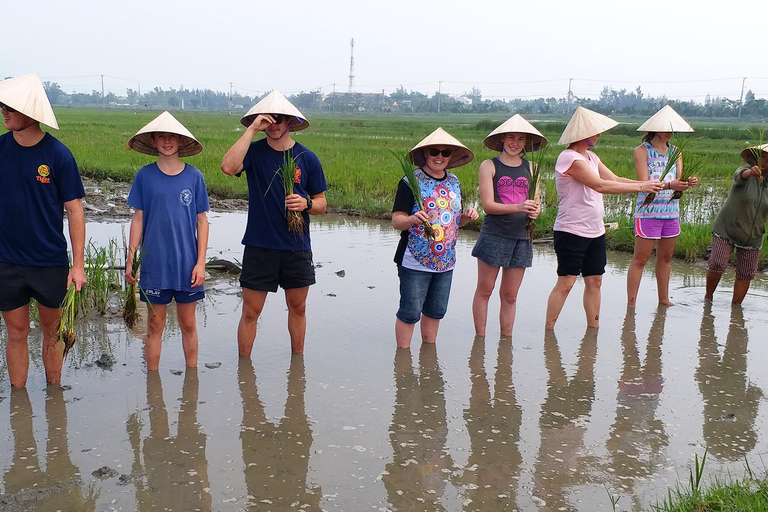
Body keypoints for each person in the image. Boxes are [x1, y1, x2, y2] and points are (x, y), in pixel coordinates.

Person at [221, 90, 327, 357]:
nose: (274, 124)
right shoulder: (254, 153)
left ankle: (297, 366)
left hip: (296, 246)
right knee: (250, 311)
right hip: (260, 244)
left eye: (280, 119)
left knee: (298, 308)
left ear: (291, 122)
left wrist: (307, 205)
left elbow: (322, 202)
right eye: (269, 119)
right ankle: (244, 368)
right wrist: (252, 129)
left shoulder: (307, 158)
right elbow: (228, 167)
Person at [0, 73, 86, 388]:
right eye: (2, 105)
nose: (4, 111)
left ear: (32, 111)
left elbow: (75, 210)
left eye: (11, 106)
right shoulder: (0, 149)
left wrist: (77, 265)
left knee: (52, 332)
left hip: (49, 261)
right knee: (17, 333)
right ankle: (19, 404)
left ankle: (54, 394)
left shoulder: (58, 156)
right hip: (6, 261)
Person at [544, 107, 664, 330]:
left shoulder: (591, 156)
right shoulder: (569, 158)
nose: (598, 134)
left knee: (595, 281)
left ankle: (593, 330)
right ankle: (549, 331)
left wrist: (651, 186)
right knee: (567, 282)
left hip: (595, 231)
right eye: (594, 131)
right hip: (571, 230)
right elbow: (599, 185)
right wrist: (641, 186)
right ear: (581, 133)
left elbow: (615, 178)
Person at [125, 111, 210, 371]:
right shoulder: (144, 176)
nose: (167, 141)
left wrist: (201, 263)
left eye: (172, 136)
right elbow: (138, 219)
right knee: (154, 325)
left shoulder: (194, 177)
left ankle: (192, 382)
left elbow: (202, 221)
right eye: (161, 136)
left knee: (188, 324)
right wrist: (131, 260)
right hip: (154, 264)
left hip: (187, 265)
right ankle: (153, 386)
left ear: (181, 142)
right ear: (153, 141)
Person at [392, 127, 479, 349]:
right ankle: (403, 364)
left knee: (436, 311)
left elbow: (451, 222)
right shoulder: (411, 181)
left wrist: (467, 217)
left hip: (445, 261)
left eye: (445, 152)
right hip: (415, 259)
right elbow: (396, 221)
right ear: (425, 154)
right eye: (434, 151)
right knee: (410, 312)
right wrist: (412, 219)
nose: (440, 156)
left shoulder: (454, 182)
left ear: (451, 156)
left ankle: (428, 358)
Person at [471, 114, 547, 337]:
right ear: (502, 140)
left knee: (511, 295)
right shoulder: (489, 165)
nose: (515, 143)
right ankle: (480, 341)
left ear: (526, 143)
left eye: (521, 139)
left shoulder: (533, 167)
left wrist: (535, 210)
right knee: (485, 290)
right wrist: (519, 207)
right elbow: (488, 206)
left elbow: (537, 203)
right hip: (495, 234)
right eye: (511, 138)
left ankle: (506, 342)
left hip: (521, 237)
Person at [626, 106, 698, 307]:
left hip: (670, 211)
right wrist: (668, 185)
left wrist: (687, 182)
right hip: (648, 212)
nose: (669, 133)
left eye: (672, 129)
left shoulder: (676, 152)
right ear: (655, 128)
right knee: (640, 259)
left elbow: (678, 181)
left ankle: (664, 299)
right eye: (665, 128)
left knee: (666, 258)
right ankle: (631, 303)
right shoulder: (642, 151)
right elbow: (645, 183)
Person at [704, 143, 768, 304]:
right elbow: (741, 175)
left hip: (753, 235)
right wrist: (750, 173)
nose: (765, 161)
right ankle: (708, 298)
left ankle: (736, 309)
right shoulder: (744, 173)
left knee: (746, 273)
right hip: (727, 228)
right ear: (754, 158)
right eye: (762, 157)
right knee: (717, 263)